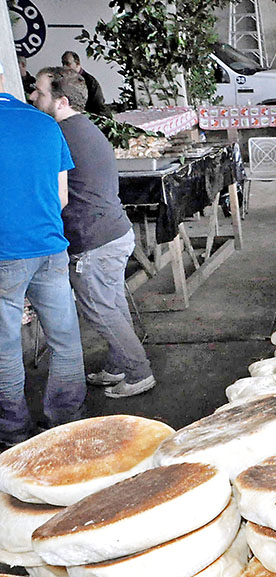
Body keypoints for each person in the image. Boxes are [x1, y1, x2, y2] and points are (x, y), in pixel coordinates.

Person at [32, 67, 155, 399]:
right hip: (112, 232)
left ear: (60, 100)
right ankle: (119, 364)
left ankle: (139, 371)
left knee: (99, 309)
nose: (32, 97)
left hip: (94, 239)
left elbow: (53, 195)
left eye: (39, 92)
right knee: (112, 304)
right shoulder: (85, 127)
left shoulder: (59, 135)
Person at [0, 62, 86, 448]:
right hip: (51, 247)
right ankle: (66, 423)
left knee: (5, 346)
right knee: (65, 338)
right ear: (3, 81)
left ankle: (13, 433)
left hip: (5, 253)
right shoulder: (45, 124)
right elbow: (62, 197)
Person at [60, 51, 107, 116]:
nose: (64, 67)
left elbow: (98, 106)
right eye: (63, 63)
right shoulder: (63, 80)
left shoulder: (91, 82)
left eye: (68, 63)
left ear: (77, 63)